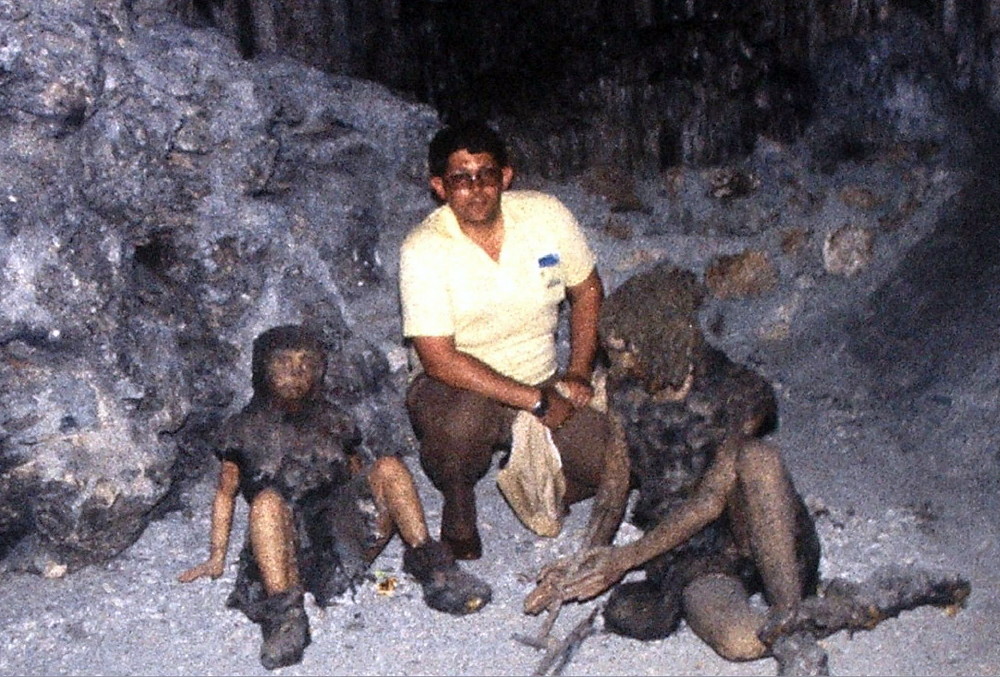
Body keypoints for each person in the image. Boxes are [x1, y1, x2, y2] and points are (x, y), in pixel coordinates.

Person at [524, 262, 821, 663]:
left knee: (758, 458)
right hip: (691, 550)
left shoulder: (738, 390)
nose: (618, 363)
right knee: (739, 642)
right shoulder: (624, 390)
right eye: (612, 350)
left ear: (660, 340)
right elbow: (614, 490)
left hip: (754, 529)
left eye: (626, 349)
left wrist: (626, 558)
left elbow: (712, 499)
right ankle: (798, 628)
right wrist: (585, 560)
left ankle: (791, 613)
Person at [178, 324, 491, 670]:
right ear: (262, 368)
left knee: (388, 467)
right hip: (283, 548)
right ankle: (285, 615)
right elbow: (226, 494)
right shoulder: (241, 429)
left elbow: (361, 480)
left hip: (339, 538)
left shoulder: (334, 421)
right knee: (266, 502)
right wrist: (216, 557)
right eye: (283, 363)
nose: (296, 373)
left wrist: (380, 509)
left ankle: (435, 570)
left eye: (306, 363)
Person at [398, 120, 629, 561]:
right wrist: (535, 402)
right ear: (439, 187)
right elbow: (439, 359)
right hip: (458, 387)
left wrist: (579, 370)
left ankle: (542, 483)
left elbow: (587, 290)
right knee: (460, 426)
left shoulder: (545, 215)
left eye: (486, 175)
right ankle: (458, 497)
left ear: (505, 176)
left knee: (613, 464)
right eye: (460, 179)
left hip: (539, 376)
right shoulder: (423, 249)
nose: (476, 189)